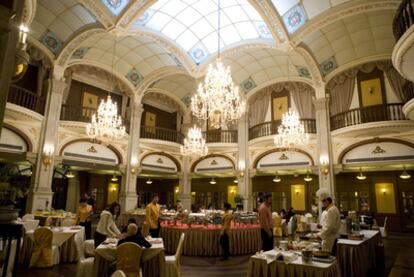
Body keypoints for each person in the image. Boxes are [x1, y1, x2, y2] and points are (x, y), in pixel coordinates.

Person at [316, 188, 340, 254]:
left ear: (326, 201)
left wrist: (320, 236)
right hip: (331, 237)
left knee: (327, 256)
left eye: (323, 202)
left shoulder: (331, 210)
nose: (322, 204)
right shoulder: (333, 208)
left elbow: (329, 227)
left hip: (330, 238)